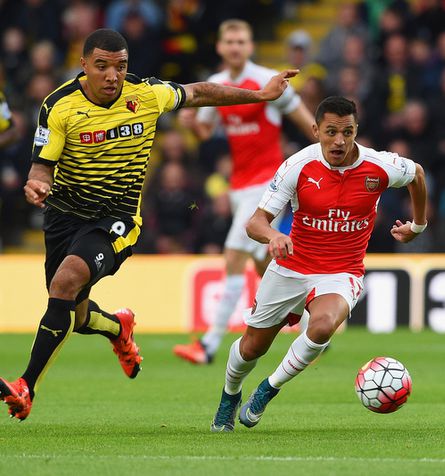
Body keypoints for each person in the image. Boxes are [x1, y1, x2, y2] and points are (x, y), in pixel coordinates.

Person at [0, 28, 297, 421]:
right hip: (64, 218)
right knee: (74, 310)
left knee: (64, 284)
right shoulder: (59, 106)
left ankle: (26, 386)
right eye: (102, 67)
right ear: (84, 65)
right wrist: (37, 182)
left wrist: (259, 95)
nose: (112, 76)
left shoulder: (146, 94)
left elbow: (202, 91)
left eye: (120, 66)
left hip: (117, 218)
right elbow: (42, 164)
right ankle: (118, 327)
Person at [210, 96, 428, 432]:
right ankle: (230, 395)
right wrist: (273, 237)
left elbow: (416, 173)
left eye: (347, 131)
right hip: (292, 265)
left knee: (323, 326)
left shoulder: (379, 166)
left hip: (342, 271)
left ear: (356, 130)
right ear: (315, 131)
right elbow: (255, 222)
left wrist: (418, 225)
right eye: (331, 132)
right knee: (253, 346)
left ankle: (268, 390)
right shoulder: (297, 166)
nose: (339, 141)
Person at [173, 19, 315, 366]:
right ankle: (312, 320)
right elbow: (206, 132)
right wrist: (192, 126)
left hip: (269, 183)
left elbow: (305, 121)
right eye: (230, 42)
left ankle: (208, 344)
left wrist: (329, 147)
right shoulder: (217, 86)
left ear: (250, 46)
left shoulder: (268, 81)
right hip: (239, 185)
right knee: (263, 262)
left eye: (242, 41)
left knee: (234, 254)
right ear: (221, 48)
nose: (235, 47)